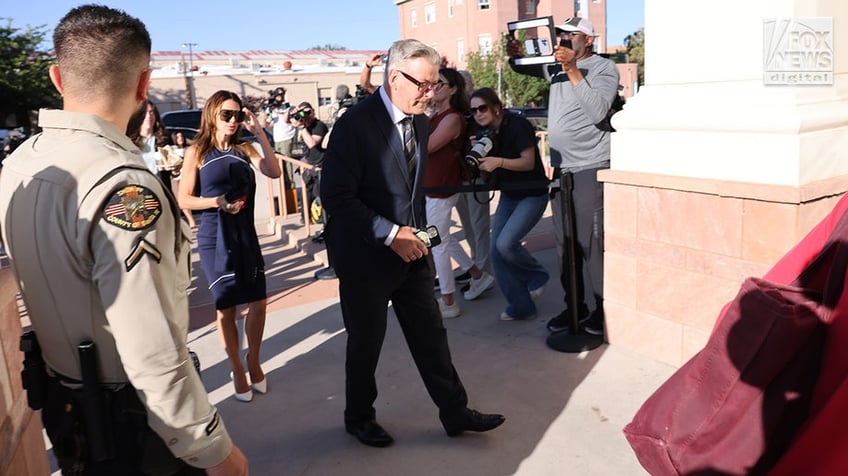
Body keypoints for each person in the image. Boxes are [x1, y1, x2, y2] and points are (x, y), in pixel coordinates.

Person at [0, 5, 247, 475]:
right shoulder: (123, 184)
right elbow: (149, 346)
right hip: (131, 427)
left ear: (56, 78)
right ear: (142, 84)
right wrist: (213, 450)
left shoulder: (22, 161)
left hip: (68, 406)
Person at [320, 38, 505, 447]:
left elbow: (411, 188)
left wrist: (419, 235)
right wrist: (390, 235)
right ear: (394, 78)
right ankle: (359, 417)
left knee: (431, 337)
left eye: (435, 84)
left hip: (412, 252)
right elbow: (335, 196)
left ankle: (455, 413)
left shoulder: (422, 119)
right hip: (365, 255)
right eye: (423, 84)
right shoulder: (356, 123)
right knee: (366, 344)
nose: (431, 93)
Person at [508, 17, 620, 342]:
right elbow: (524, 68)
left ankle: (602, 311)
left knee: (590, 245)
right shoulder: (555, 69)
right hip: (561, 171)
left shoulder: (603, 69)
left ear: (588, 39)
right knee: (565, 246)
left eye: (571, 34)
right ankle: (576, 307)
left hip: (590, 166)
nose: (564, 38)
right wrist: (516, 54)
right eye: (561, 34)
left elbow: (599, 111)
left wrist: (572, 70)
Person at [178, 90, 281, 403]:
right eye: (227, 115)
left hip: (245, 234)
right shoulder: (198, 151)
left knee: (259, 301)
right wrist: (216, 202)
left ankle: (253, 360)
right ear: (212, 115)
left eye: (238, 115)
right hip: (214, 236)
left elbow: (274, 171)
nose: (233, 121)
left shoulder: (245, 148)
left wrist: (259, 131)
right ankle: (237, 368)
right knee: (226, 307)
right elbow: (183, 198)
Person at [468, 87, 550, 321]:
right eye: (473, 110)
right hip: (509, 195)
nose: (478, 114)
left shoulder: (517, 124)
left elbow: (528, 162)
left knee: (505, 244)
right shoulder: (486, 132)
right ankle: (521, 306)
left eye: (482, 108)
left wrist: (497, 162)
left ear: (496, 107)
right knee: (496, 252)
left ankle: (537, 275)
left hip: (533, 193)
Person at [423, 67, 494, 318]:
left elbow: (428, 147)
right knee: (437, 236)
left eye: (439, 84)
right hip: (432, 184)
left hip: (441, 185)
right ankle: (477, 274)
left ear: (453, 89)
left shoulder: (452, 118)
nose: (433, 88)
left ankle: (449, 300)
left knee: (436, 243)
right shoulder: (436, 115)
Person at [454, 69, 493, 295]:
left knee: (479, 229)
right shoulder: (456, 111)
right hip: (458, 178)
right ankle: (475, 268)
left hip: (477, 177)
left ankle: (482, 274)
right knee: (469, 228)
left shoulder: (478, 109)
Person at [289, 102, 328, 222]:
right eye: (303, 112)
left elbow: (311, 143)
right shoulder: (304, 125)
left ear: (313, 111)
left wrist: (302, 128)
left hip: (319, 165)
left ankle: (322, 219)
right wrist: (293, 114)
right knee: (306, 194)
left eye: (309, 112)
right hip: (308, 164)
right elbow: (287, 119)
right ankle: (305, 218)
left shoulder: (319, 125)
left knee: (319, 194)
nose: (307, 115)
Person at [127, 99, 171, 183]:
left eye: (151, 112)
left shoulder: (164, 139)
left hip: (161, 187)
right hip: (139, 186)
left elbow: (172, 170)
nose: (148, 116)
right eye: (144, 113)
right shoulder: (130, 141)